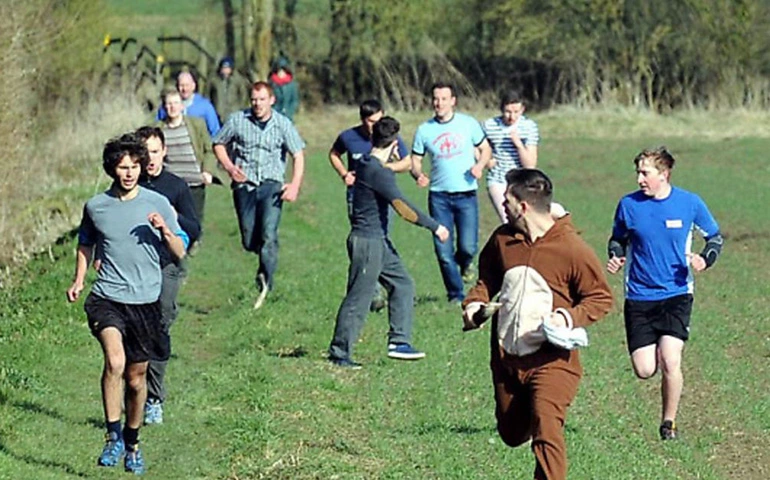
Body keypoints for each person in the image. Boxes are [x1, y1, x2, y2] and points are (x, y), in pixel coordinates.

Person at [462, 168, 612, 480]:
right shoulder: (503, 240)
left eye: (507, 200)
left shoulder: (571, 248)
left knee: (546, 425)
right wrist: (474, 304)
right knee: (511, 432)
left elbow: (600, 298)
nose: (502, 205)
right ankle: (525, 410)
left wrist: (567, 317)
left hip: (553, 360)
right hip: (507, 359)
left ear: (524, 206)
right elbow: (486, 279)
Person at [66, 133, 188, 475]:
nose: (130, 173)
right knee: (115, 362)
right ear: (112, 169)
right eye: (123, 167)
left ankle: (133, 444)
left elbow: (179, 253)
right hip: (107, 298)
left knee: (136, 379)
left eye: (135, 166)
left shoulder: (158, 203)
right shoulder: (96, 206)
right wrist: (79, 279)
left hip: (146, 302)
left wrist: (165, 230)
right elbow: (86, 243)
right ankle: (112, 436)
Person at [607, 146, 723, 441]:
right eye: (638, 173)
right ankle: (654, 349)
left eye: (645, 173)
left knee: (671, 360)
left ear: (664, 174)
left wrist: (704, 259)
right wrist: (616, 255)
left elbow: (714, 237)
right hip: (639, 297)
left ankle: (668, 423)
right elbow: (617, 239)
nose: (639, 179)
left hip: (676, 293)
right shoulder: (628, 205)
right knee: (645, 369)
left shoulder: (689, 203)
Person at [328, 116, 449, 368]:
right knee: (359, 298)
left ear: (371, 139)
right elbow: (404, 209)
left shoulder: (365, 162)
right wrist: (435, 226)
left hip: (379, 240)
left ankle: (399, 342)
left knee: (403, 284)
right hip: (367, 243)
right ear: (395, 146)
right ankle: (340, 353)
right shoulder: (377, 173)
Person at [213, 81, 305, 310]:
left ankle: (266, 282)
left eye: (262, 99)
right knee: (248, 239)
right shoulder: (238, 120)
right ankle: (264, 256)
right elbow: (218, 143)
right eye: (254, 99)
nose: (257, 104)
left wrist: (294, 185)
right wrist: (230, 167)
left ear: (271, 100)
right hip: (245, 185)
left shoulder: (283, 124)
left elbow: (298, 155)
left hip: (271, 185)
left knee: (269, 233)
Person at [136, 126, 200, 425]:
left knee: (160, 324)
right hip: (134, 266)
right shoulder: (128, 184)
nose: (150, 157)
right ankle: (133, 390)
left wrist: (173, 217)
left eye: (155, 150)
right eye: (144, 151)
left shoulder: (176, 186)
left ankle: (154, 398)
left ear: (164, 152)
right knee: (134, 329)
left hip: (167, 264)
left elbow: (194, 228)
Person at [410, 82, 492, 302]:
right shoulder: (424, 130)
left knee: (468, 246)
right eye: (436, 99)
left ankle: (466, 264)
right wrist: (418, 174)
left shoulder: (468, 124)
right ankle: (455, 294)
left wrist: (480, 166)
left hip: (466, 194)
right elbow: (415, 160)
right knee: (443, 250)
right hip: (439, 197)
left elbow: (485, 149)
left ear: (453, 101)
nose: (439, 103)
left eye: (444, 99)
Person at [329, 99, 411, 312]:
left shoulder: (388, 138)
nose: (373, 125)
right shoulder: (349, 137)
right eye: (369, 121)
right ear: (362, 119)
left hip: (383, 198)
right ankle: (372, 291)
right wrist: (344, 174)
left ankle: (382, 281)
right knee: (363, 240)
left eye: (377, 120)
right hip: (356, 198)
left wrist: (385, 167)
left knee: (381, 239)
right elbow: (334, 154)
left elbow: (407, 162)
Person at [156, 88, 222, 250]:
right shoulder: (158, 129)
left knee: (194, 223)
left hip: (194, 182)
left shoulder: (196, 124)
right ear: (164, 107)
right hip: (171, 184)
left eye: (176, 103)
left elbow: (208, 149)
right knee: (172, 219)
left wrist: (207, 171)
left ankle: (192, 244)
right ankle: (176, 252)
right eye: (169, 104)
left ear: (182, 106)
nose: (172, 107)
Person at [483, 90, 539, 223]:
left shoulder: (528, 127)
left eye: (516, 112)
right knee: (508, 220)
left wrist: (519, 145)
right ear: (501, 109)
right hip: (498, 179)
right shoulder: (489, 126)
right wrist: (486, 160)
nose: (511, 117)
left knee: (527, 219)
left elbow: (530, 165)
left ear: (522, 110)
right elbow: (474, 144)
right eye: (507, 112)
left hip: (522, 180)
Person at [157, 71, 221, 137]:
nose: (184, 89)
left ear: (193, 86)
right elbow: (158, 127)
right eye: (181, 85)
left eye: (187, 85)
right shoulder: (167, 106)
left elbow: (215, 132)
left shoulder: (205, 106)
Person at [209, 56, 248, 123]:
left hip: (234, 112)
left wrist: (240, 108)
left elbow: (243, 95)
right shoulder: (214, 81)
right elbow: (209, 95)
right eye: (223, 68)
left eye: (227, 68)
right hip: (219, 113)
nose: (225, 70)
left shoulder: (238, 80)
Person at [268, 57, 299, 121]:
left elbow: (294, 100)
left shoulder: (292, 85)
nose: (281, 73)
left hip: (288, 116)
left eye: (283, 71)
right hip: (274, 116)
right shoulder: (271, 84)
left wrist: (289, 112)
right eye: (279, 71)